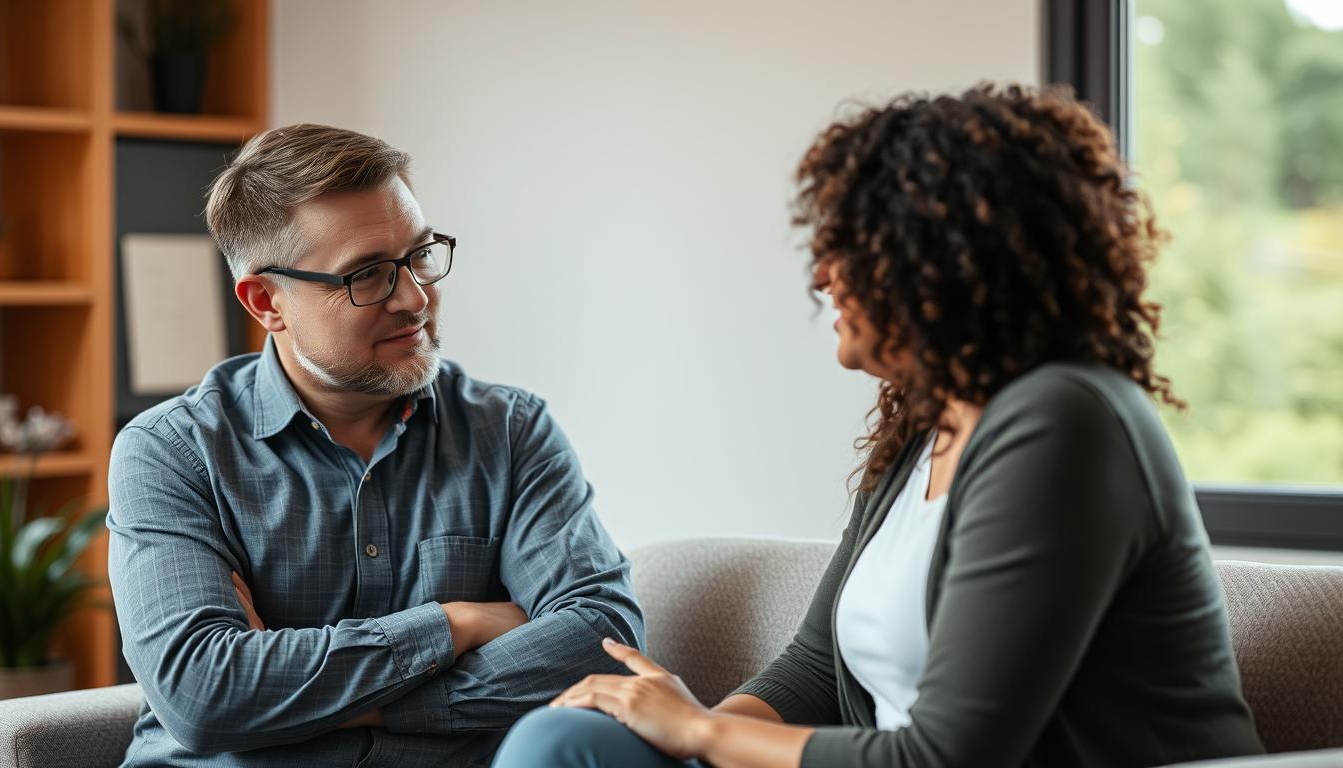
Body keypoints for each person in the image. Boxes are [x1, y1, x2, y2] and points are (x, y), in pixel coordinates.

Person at [492, 84, 1267, 767]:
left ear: (940, 257)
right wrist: (683, 735)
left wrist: (702, 737)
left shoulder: (1062, 421)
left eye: (850, 244)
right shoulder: (924, 429)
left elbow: (950, 755)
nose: (822, 272)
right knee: (562, 742)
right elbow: (816, 666)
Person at [106, 124, 643, 767]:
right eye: (367, 276)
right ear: (265, 301)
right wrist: (458, 623)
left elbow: (602, 637)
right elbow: (205, 693)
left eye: (419, 256)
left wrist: (355, 699)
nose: (415, 298)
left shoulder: (510, 431)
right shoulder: (172, 453)